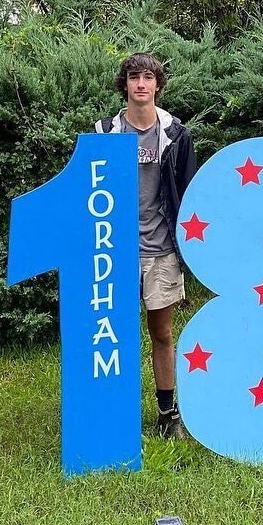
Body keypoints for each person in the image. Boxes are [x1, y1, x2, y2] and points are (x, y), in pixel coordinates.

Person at [94, 53, 196, 438]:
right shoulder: (104, 133)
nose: (141, 83)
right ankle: (109, 414)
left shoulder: (176, 135)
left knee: (163, 333)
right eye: (134, 77)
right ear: (125, 84)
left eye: (148, 77)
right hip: (112, 251)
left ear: (157, 85)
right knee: (109, 334)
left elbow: (188, 194)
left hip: (161, 248)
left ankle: (168, 414)